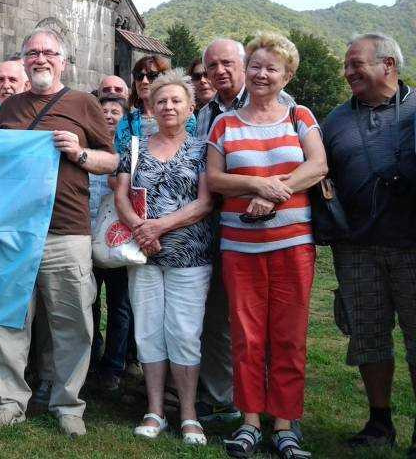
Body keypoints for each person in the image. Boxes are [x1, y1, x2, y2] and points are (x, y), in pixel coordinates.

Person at [0, 27, 118, 438]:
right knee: (8, 318)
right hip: (16, 230)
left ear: (63, 61)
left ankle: (68, 404)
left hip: (66, 229)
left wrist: (78, 152)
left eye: (48, 53)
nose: (40, 58)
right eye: (32, 53)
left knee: (72, 321)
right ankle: (8, 401)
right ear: (24, 61)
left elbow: (111, 161)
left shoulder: (83, 103)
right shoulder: (9, 108)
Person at [206, 32, 327, 458]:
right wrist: (257, 186)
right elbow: (215, 179)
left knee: (289, 336)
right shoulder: (224, 124)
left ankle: (285, 424)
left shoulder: (300, 116)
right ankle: (251, 421)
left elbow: (318, 165)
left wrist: (273, 192)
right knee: (247, 336)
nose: (261, 74)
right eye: (255, 66)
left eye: (271, 68)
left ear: (286, 75)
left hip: (293, 244)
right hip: (240, 247)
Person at [321, 33, 416, 454]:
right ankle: (380, 423)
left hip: (412, 246)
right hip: (356, 248)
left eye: (356, 64)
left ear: (388, 65)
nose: (348, 72)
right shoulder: (335, 120)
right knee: (368, 337)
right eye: (346, 65)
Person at [194, 38, 292, 424]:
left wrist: (266, 192)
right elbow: (208, 173)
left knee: (271, 319)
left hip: (272, 227)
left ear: (244, 64)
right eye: (211, 66)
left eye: (227, 63)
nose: (219, 71)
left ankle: (274, 403)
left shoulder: (279, 102)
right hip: (220, 226)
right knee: (220, 313)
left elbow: (300, 162)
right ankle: (225, 397)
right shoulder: (206, 114)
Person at [114, 69, 214, 445]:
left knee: (184, 333)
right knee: (147, 332)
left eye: (176, 100)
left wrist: (159, 227)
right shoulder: (134, 147)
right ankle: (154, 410)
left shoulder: (203, 148)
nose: (168, 106)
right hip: (143, 255)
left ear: (190, 107)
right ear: (151, 108)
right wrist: (141, 229)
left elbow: (205, 202)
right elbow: (121, 195)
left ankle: (188, 414)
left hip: (190, 255)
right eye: (161, 101)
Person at [88, 94, 131, 393]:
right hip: (86, 233)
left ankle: (114, 366)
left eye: (115, 111)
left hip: (118, 237)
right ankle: (91, 358)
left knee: (119, 305)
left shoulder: (130, 150)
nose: (109, 115)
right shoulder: (85, 147)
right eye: (103, 110)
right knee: (89, 302)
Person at [114, 54, 196, 157]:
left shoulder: (185, 117)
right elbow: (120, 159)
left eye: (152, 76)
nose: (144, 81)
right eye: (139, 76)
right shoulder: (126, 122)